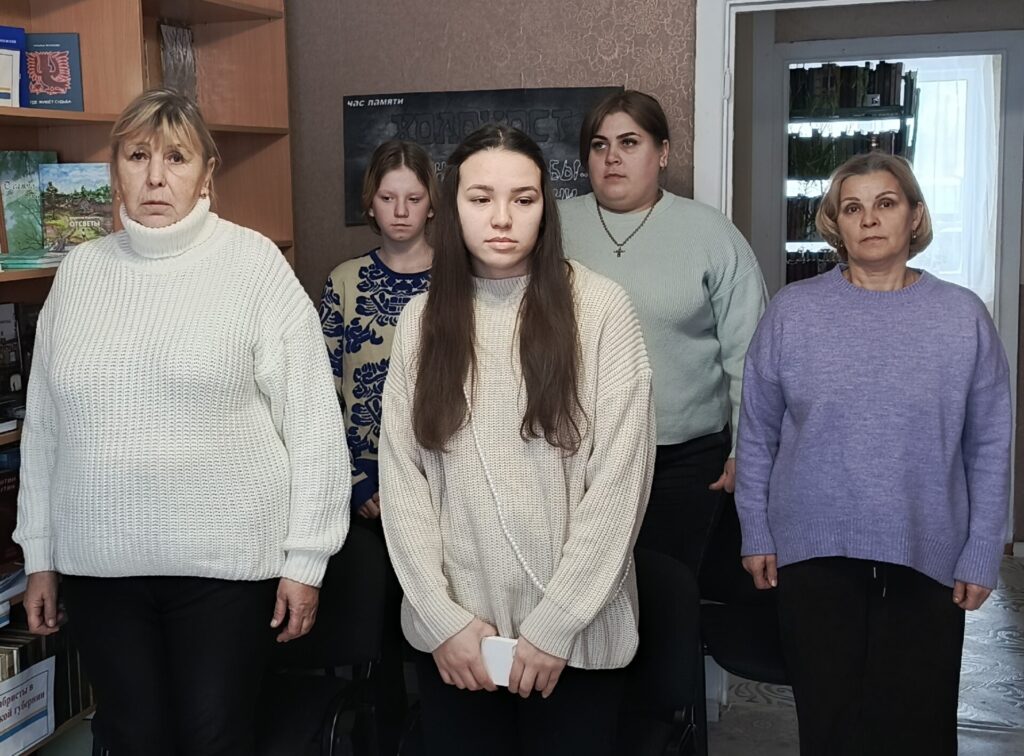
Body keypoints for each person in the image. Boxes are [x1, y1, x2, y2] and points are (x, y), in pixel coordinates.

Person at [14, 88, 350, 756]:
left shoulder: (254, 265)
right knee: (131, 738)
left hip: (226, 568)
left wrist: (307, 558)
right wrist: (40, 556)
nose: (155, 177)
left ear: (207, 172)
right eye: (137, 156)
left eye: (176, 157)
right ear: (116, 170)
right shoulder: (78, 274)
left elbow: (313, 423)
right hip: (100, 567)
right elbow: (45, 430)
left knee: (213, 740)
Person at [379, 124, 655, 755]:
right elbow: (402, 479)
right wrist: (442, 619)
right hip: (459, 644)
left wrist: (556, 625)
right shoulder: (422, 319)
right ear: (451, 207)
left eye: (523, 199)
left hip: (573, 644)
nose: (502, 218)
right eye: (480, 198)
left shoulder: (602, 309)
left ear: (544, 208)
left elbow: (621, 485)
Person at [736, 152, 1011, 756]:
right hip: (813, 554)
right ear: (835, 223)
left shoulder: (962, 316)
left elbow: (990, 442)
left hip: (927, 554)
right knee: (829, 728)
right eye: (852, 208)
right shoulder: (793, 312)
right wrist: (755, 529)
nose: (869, 219)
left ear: (915, 216)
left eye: (886, 203)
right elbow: (756, 431)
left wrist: (983, 549)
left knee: (919, 728)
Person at [559, 89, 767, 577]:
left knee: (667, 589)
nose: (612, 157)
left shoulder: (711, 234)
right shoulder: (551, 226)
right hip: (575, 453)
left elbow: (750, 357)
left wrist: (746, 452)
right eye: (599, 145)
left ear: (664, 152)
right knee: (583, 587)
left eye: (629, 143)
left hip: (684, 459)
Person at [318, 139, 436, 754]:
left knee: (439, 617)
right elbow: (319, 394)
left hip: (440, 487)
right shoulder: (344, 283)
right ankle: (382, 733)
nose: (401, 211)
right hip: (363, 492)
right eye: (389, 198)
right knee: (376, 622)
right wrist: (358, 483)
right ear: (370, 203)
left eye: (413, 198)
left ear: (432, 203)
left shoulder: (459, 280)